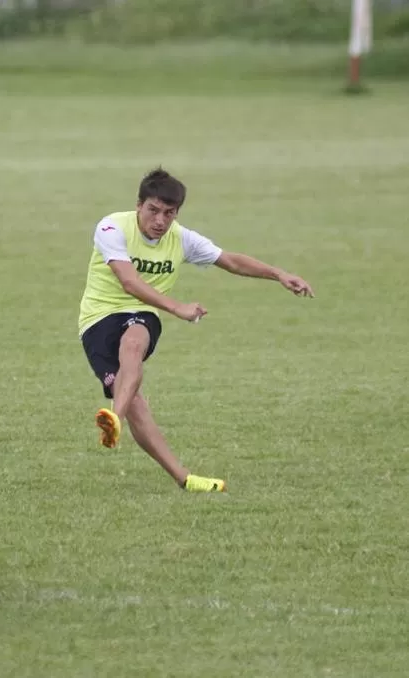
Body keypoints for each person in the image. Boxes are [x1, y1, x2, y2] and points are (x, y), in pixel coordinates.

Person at [78, 168, 314, 492]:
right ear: (138, 205)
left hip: (144, 314)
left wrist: (279, 274)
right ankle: (184, 478)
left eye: (169, 213)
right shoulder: (112, 227)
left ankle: (113, 418)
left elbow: (229, 260)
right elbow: (128, 282)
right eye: (153, 210)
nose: (160, 221)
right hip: (98, 318)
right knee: (136, 403)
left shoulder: (181, 238)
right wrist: (177, 307)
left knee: (133, 343)